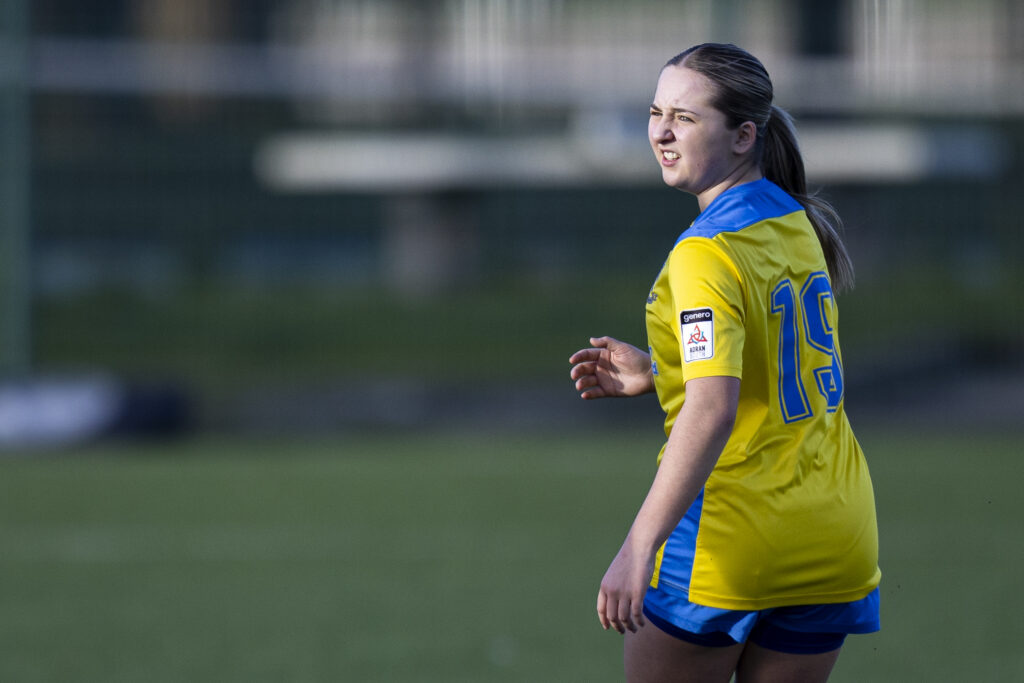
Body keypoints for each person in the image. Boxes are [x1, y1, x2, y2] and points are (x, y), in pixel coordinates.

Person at [568, 43, 880, 683]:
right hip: (833, 534)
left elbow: (714, 408)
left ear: (743, 136)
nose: (659, 131)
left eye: (685, 117)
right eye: (656, 112)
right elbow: (772, 364)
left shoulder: (703, 253)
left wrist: (638, 547)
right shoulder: (798, 220)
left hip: (731, 539)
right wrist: (663, 373)